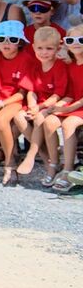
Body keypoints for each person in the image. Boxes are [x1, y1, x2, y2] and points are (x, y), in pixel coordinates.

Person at [0, 20, 35, 185]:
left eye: (12, 39)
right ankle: (3, 153)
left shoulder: (26, 59)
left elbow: (22, 93)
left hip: (19, 100)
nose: (6, 43)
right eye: (1, 39)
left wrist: (0, 104)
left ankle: (9, 163)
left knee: (0, 119)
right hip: (2, 99)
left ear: (19, 42)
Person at [16, 27, 68, 181]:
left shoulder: (59, 66)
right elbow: (31, 90)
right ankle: (46, 158)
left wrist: (38, 108)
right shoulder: (35, 65)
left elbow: (58, 95)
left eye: (49, 49)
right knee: (19, 117)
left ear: (57, 48)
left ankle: (33, 155)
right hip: (38, 104)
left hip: (55, 103)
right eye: (40, 48)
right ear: (33, 47)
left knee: (39, 118)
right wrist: (32, 105)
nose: (44, 52)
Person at [48, 26, 83, 190]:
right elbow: (69, 93)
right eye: (70, 40)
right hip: (74, 106)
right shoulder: (70, 65)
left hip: (78, 107)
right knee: (49, 120)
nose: (75, 44)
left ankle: (68, 169)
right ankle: (54, 164)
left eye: (80, 40)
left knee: (69, 123)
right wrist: (57, 106)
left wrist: (68, 110)